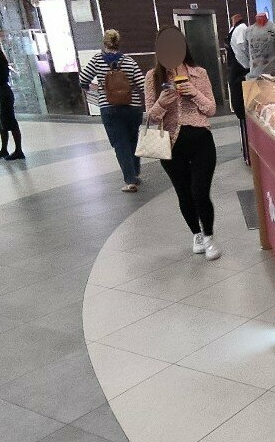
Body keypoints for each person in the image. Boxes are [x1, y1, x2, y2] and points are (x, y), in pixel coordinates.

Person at [145, 26, 221, 260]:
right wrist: (161, 102)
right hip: (170, 144)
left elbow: (211, 109)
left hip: (201, 141)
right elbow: (151, 118)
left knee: (200, 192)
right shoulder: (153, 77)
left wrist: (194, 93)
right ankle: (196, 234)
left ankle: (209, 237)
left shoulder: (199, 73)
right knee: (184, 193)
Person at [79, 29, 145, 193]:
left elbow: (83, 79)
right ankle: (135, 173)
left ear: (104, 43)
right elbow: (142, 83)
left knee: (120, 144)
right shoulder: (129, 61)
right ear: (118, 43)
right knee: (133, 140)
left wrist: (95, 88)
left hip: (109, 108)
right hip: (132, 107)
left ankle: (130, 180)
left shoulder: (97, 60)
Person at [227, 14, 250, 162]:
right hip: (237, 73)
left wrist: (247, 68)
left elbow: (242, 52)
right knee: (239, 107)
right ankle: (246, 148)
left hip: (240, 74)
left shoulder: (241, 28)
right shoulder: (235, 28)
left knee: (241, 108)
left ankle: (248, 148)